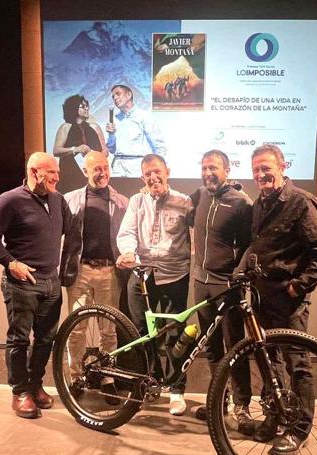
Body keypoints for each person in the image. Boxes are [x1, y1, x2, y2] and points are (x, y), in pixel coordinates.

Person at [245, 144, 317, 454]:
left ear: (282, 166)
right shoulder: (260, 204)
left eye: (266, 168)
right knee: (269, 364)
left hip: (290, 302)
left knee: (298, 365)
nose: (261, 174)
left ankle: (299, 430)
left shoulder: (301, 203)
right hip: (261, 300)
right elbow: (257, 246)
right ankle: (275, 419)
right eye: (256, 169)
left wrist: (299, 286)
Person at [0, 152, 79, 419]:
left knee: (46, 339)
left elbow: (72, 231)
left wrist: (66, 270)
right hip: (21, 284)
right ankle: (20, 392)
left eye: (58, 172)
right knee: (19, 340)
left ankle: (36, 385)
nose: (58, 177)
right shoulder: (9, 200)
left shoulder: (58, 200)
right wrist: (11, 263)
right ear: (35, 173)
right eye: (52, 173)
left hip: (51, 283)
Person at [116, 154, 191, 416]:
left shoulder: (184, 202)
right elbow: (126, 233)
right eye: (147, 174)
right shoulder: (137, 201)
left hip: (174, 276)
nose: (153, 178)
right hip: (142, 276)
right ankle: (151, 382)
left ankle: (177, 390)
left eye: (157, 172)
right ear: (142, 177)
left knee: (174, 336)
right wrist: (128, 252)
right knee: (140, 333)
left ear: (167, 172)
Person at [189, 150, 254, 434]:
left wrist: (238, 275)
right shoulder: (200, 195)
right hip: (200, 283)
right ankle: (219, 401)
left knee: (235, 347)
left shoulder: (241, 203)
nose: (207, 173)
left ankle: (242, 408)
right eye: (204, 168)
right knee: (212, 348)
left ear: (227, 169)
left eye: (213, 168)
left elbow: (251, 245)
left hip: (226, 286)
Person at [60, 151, 129, 405]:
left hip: (110, 271)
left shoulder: (122, 202)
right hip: (81, 271)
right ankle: (75, 378)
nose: (102, 172)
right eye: (96, 169)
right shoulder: (70, 200)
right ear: (85, 172)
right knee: (76, 329)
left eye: (105, 167)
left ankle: (108, 379)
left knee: (108, 330)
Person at [105, 84, 167, 177]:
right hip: (118, 165)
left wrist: (160, 169)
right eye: (113, 96)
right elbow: (112, 149)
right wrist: (111, 135)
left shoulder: (144, 116)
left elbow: (159, 145)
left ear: (129, 95)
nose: (115, 98)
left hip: (137, 165)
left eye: (118, 94)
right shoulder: (115, 119)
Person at [53, 94, 108, 192]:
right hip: (70, 176)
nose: (86, 108)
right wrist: (75, 149)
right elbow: (56, 151)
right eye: (83, 106)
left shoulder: (95, 127)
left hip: (93, 175)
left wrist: (95, 156)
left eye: (87, 106)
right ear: (74, 108)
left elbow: (105, 151)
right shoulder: (65, 127)